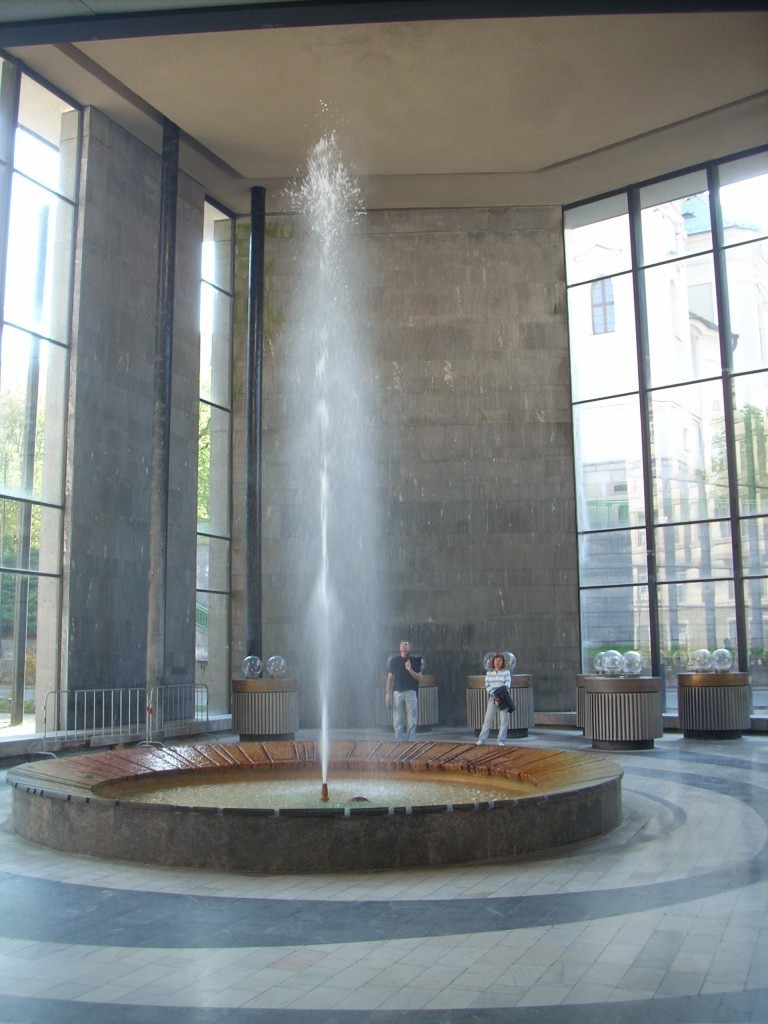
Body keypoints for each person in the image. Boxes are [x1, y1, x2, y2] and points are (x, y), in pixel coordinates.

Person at [385, 640, 423, 742]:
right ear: (399, 647)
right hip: (398, 692)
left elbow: (420, 677)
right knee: (398, 719)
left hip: (411, 692)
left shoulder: (415, 660)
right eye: (402, 644)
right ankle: (399, 741)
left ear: (409, 647)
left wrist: (410, 670)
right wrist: (388, 694)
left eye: (406, 644)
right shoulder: (394, 660)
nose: (404, 646)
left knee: (411, 719)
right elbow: (390, 677)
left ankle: (411, 741)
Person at [477, 652, 513, 745]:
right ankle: (482, 739)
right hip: (493, 699)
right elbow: (487, 685)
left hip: (503, 699)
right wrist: (494, 695)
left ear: (502, 662)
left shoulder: (506, 673)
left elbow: (507, 685)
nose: (497, 662)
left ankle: (501, 740)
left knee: (503, 720)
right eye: (496, 660)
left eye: (500, 660)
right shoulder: (489, 673)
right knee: (487, 720)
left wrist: (500, 695)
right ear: (493, 662)